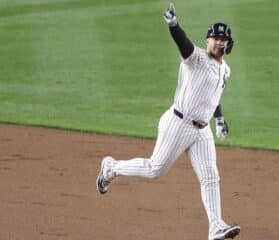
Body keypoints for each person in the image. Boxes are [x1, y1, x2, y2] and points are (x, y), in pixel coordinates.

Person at [96, 3, 240, 240]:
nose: (218, 42)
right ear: (207, 41)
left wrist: (220, 119)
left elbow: (213, 97)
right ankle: (111, 167)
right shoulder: (196, 59)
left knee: (210, 176)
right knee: (154, 170)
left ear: (228, 43)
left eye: (222, 38)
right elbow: (183, 43)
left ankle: (216, 227)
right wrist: (173, 24)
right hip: (178, 123)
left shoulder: (225, 70)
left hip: (202, 131)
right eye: (214, 38)